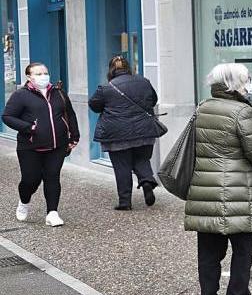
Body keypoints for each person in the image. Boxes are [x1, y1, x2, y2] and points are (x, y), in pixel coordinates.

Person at [185, 63, 252, 295]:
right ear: (234, 83)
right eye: (246, 79)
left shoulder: (202, 107)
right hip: (237, 193)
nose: (249, 84)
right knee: (242, 250)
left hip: (205, 192)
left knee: (209, 253)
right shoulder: (242, 113)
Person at [3, 62, 79, 227]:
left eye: (45, 72)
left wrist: (74, 136)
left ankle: (52, 213)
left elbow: (70, 115)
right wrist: (29, 127)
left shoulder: (58, 93)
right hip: (30, 146)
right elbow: (7, 116)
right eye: (38, 74)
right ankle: (24, 201)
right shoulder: (21, 95)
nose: (43, 76)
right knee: (31, 179)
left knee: (52, 176)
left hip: (57, 145)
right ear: (29, 77)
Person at [88, 55, 162, 210]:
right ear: (128, 67)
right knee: (142, 159)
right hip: (144, 130)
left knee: (122, 166)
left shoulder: (106, 88)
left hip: (117, 134)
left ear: (111, 70)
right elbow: (153, 100)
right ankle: (147, 182)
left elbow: (94, 105)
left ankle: (125, 202)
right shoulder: (143, 82)